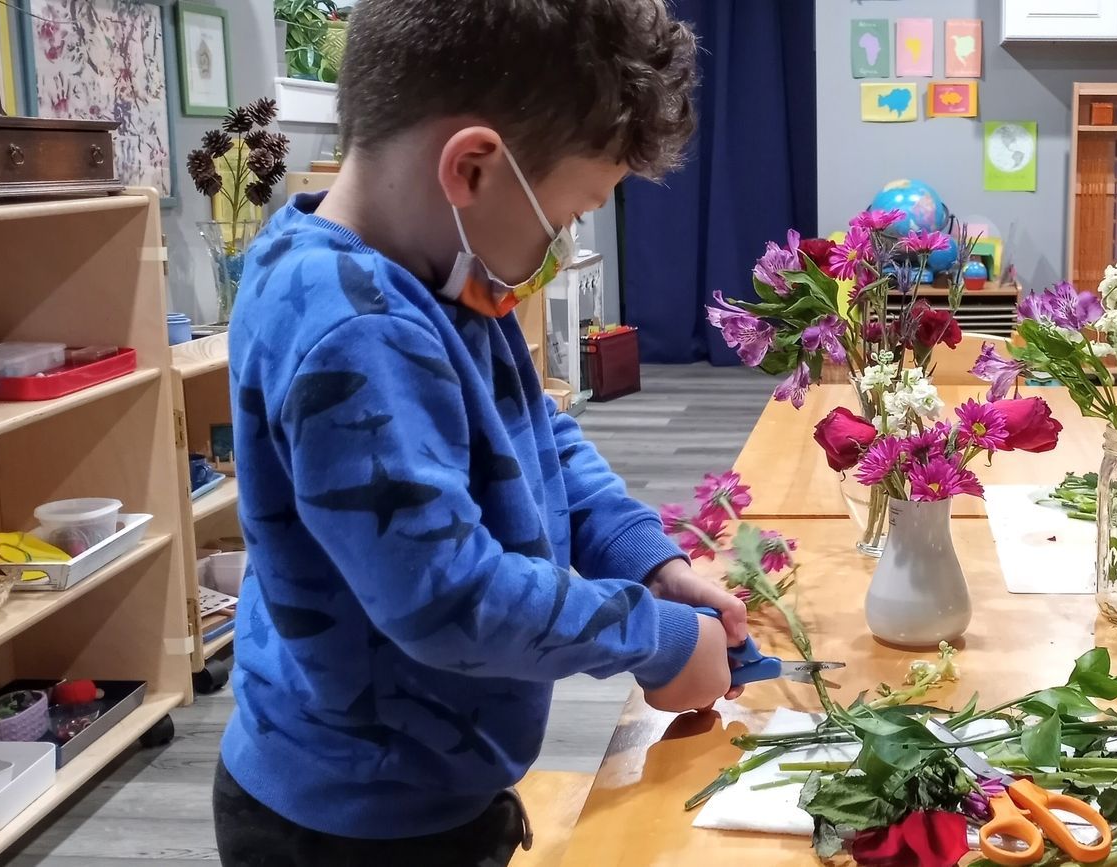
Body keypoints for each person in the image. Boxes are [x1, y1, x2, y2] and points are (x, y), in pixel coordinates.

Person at [215, 2, 747, 863]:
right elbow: (448, 595)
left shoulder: (437, 268)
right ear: (472, 168)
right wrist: (650, 639)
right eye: (567, 214)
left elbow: (533, 430)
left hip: (434, 784)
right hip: (352, 823)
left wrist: (644, 556)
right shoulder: (351, 326)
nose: (560, 240)